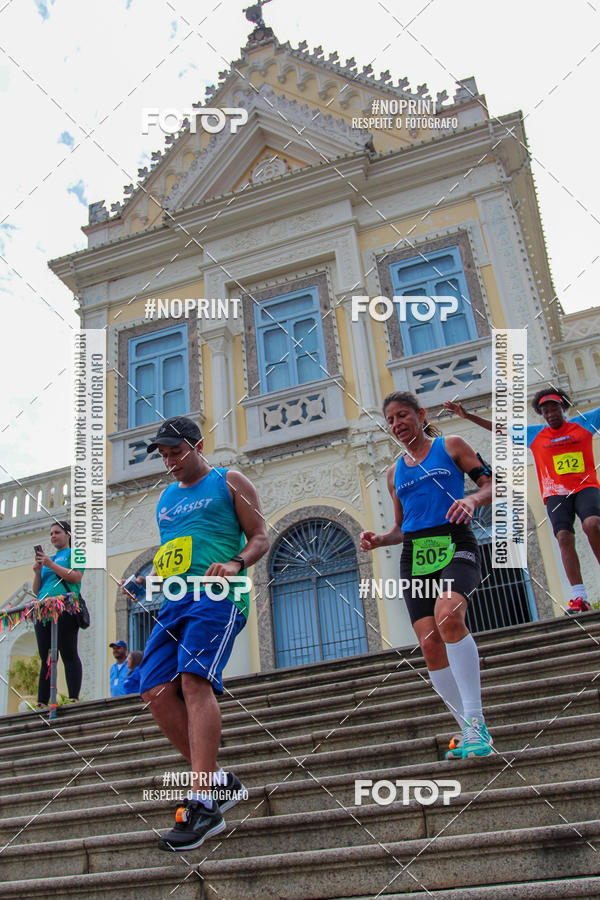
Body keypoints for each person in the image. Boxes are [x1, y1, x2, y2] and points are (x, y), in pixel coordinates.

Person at [132, 416, 269, 851]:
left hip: (218, 593)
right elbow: (175, 551)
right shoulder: (166, 500)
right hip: (174, 599)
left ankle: (202, 802)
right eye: (164, 455)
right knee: (153, 688)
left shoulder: (230, 480)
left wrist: (235, 564)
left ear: (198, 445)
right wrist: (150, 577)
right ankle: (216, 781)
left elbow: (261, 537)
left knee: (194, 680)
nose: (169, 461)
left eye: (176, 452)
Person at [360, 391, 493, 759]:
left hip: (453, 539)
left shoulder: (450, 445)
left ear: (420, 415)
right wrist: (379, 538)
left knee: (449, 615)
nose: (397, 424)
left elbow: (491, 484)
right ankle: (466, 730)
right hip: (415, 552)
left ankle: (477, 721)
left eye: (403, 415)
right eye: (390, 420)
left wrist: (471, 500)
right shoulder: (394, 472)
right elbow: (403, 528)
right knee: (430, 643)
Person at [444, 389, 600, 614]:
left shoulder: (583, 424)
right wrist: (467, 416)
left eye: (554, 408)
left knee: (592, 524)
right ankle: (579, 597)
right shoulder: (535, 434)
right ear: (542, 414)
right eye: (545, 411)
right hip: (555, 493)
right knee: (564, 537)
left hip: (586, 487)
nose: (550, 413)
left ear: (563, 408)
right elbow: (498, 429)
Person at [32, 521, 83, 709]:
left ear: (68, 534)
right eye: (51, 533)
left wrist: (51, 564)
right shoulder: (48, 559)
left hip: (65, 607)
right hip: (43, 609)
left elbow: (76, 576)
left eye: (57, 532)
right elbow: (37, 590)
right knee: (45, 656)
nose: (53, 536)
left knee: (68, 652)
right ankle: (42, 701)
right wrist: (38, 572)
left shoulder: (75, 553)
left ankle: (73, 697)